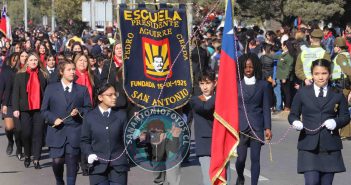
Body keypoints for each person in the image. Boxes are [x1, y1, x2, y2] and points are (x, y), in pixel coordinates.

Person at [288, 59, 350, 185]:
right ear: (312, 74)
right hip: (308, 145)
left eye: (324, 73)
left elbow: (345, 116)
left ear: (330, 74)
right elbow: (293, 114)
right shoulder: (302, 93)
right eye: (316, 74)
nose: (320, 77)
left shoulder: (337, 94)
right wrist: (295, 122)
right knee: (312, 181)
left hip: (330, 146)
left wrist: (336, 122)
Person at [41, 60, 92, 185]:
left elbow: (89, 109)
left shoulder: (82, 89)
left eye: (73, 69)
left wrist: (79, 111)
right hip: (56, 131)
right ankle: (59, 181)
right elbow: (44, 110)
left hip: (74, 131)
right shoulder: (51, 88)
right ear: (61, 72)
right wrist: (53, 119)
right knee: (57, 162)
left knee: (72, 161)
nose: (72, 72)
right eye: (69, 69)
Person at [81, 83, 129, 185]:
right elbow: (85, 140)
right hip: (97, 165)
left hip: (118, 165)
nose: (114, 97)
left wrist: (137, 136)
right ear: (100, 97)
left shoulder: (121, 115)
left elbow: (127, 138)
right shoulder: (89, 117)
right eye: (110, 95)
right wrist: (89, 153)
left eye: (115, 94)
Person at [235, 53, 272, 185]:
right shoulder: (236, 84)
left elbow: (266, 107)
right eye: (245, 67)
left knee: (255, 159)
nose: (248, 70)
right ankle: (240, 177)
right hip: (240, 127)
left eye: (250, 67)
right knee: (240, 159)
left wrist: (268, 127)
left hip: (257, 127)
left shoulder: (263, 85)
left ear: (255, 67)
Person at [12, 52, 48, 169]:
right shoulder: (19, 75)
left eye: (35, 60)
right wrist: (16, 108)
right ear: (27, 61)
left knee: (38, 134)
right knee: (26, 133)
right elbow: (15, 93)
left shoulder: (43, 75)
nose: (33, 62)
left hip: (39, 109)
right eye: (31, 60)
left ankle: (36, 159)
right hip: (24, 109)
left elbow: (47, 93)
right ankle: (27, 155)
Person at [190, 71, 217, 185]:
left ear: (214, 83)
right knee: (208, 179)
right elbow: (206, 107)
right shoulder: (195, 100)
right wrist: (219, 95)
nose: (205, 87)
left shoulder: (218, 99)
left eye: (208, 83)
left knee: (222, 178)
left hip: (219, 142)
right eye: (202, 83)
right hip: (204, 144)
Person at [0, 53, 23, 159]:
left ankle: (19, 148)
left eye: (17, 60)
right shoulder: (5, 72)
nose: (16, 62)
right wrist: (3, 104)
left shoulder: (22, 71)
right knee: (9, 127)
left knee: (18, 129)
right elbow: (2, 88)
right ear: (10, 60)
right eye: (14, 60)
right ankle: (10, 141)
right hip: (8, 103)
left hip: (20, 102)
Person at [331, 37, 351, 139]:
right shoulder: (347, 55)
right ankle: (345, 133)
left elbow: (348, 71)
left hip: (342, 86)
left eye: (334, 46)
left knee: (340, 108)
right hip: (343, 85)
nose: (333, 48)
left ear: (338, 47)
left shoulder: (340, 57)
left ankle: (344, 133)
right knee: (344, 108)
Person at [275, 40, 295, 111]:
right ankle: (286, 105)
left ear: (285, 46)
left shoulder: (289, 55)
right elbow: (276, 57)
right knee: (284, 91)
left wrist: (285, 77)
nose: (281, 46)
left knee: (287, 92)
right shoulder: (283, 53)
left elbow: (289, 68)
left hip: (286, 77)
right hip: (281, 76)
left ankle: (287, 106)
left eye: (282, 45)